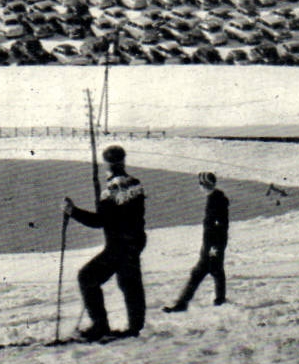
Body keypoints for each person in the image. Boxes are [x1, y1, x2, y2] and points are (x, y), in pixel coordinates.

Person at [65, 145, 149, 343]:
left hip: (118, 246)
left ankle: (100, 326)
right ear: (123, 161)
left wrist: (72, 211)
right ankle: (135, 327)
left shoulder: (111, 190)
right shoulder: (135, 184)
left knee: (87, 277)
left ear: (107, 165)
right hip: (135, 242)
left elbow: (100, 221)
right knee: (129, 283)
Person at [164, 172, 228, 312]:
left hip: (212, 246)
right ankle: (220, 300)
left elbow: (219, 226)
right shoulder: (215, 198)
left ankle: (182, 304)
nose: (200, 186)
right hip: (213, 246)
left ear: (206, 185)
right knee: (216, 272)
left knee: (198, 274)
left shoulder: (215, 200)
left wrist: (213, 248)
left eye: (201, 184)